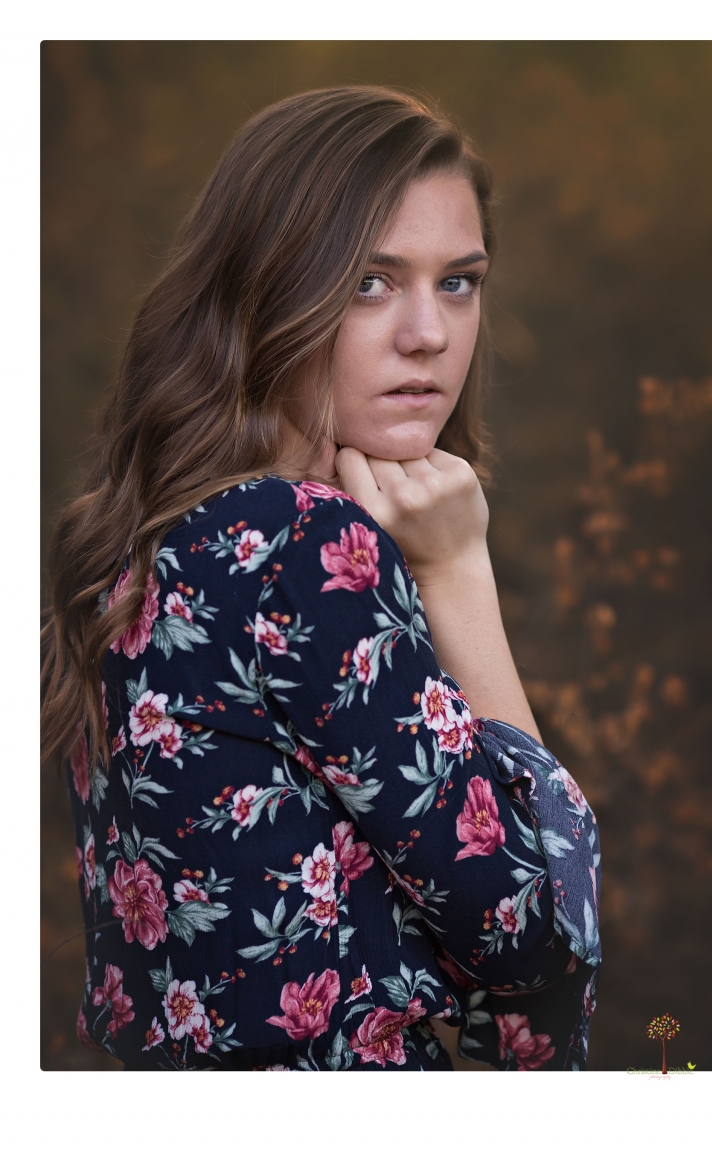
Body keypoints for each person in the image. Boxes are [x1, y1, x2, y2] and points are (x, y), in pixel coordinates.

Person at [41, 86, 601, 1071]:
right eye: (370, 283)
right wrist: (460, 569)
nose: (429, 333)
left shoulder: (142, 547)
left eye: (458, 281)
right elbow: (535, 932)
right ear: (266, 290)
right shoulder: (300, 540)